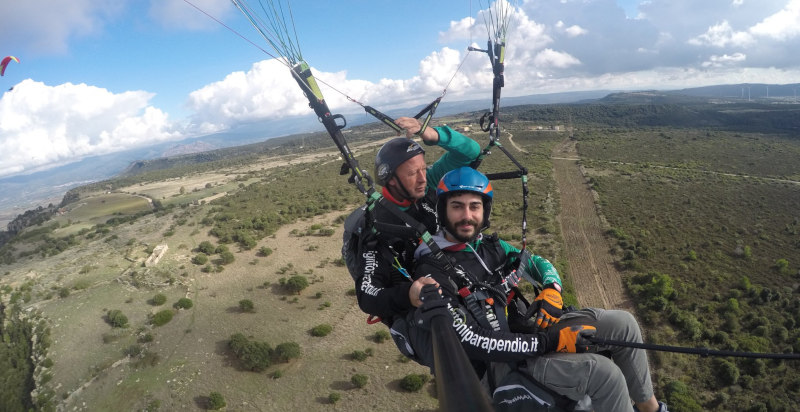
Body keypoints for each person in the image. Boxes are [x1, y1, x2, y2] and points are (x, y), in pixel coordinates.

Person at [407, 167, 668, 412]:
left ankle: (650, 408)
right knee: (603, 373)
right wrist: (548, 342)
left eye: (474, 206)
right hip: (496, 366)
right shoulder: (433, 269)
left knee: (624, 323)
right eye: (457, 207)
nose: (467, 216)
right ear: (443, 210)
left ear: (484, 210)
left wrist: (552, 289)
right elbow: (469, 340)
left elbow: (536, 262)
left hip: (526, 334)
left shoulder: (490, 247)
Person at [342, 117, 480, 326]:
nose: (423, 178)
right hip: (430, 304)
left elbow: (471, 152)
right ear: (392, 179)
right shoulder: (378, 225)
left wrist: (431, 134)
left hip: (456, 275)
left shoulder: (427, 186)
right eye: (413, 173)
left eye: (423, 169)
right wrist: (409, 294)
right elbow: (368, 294)